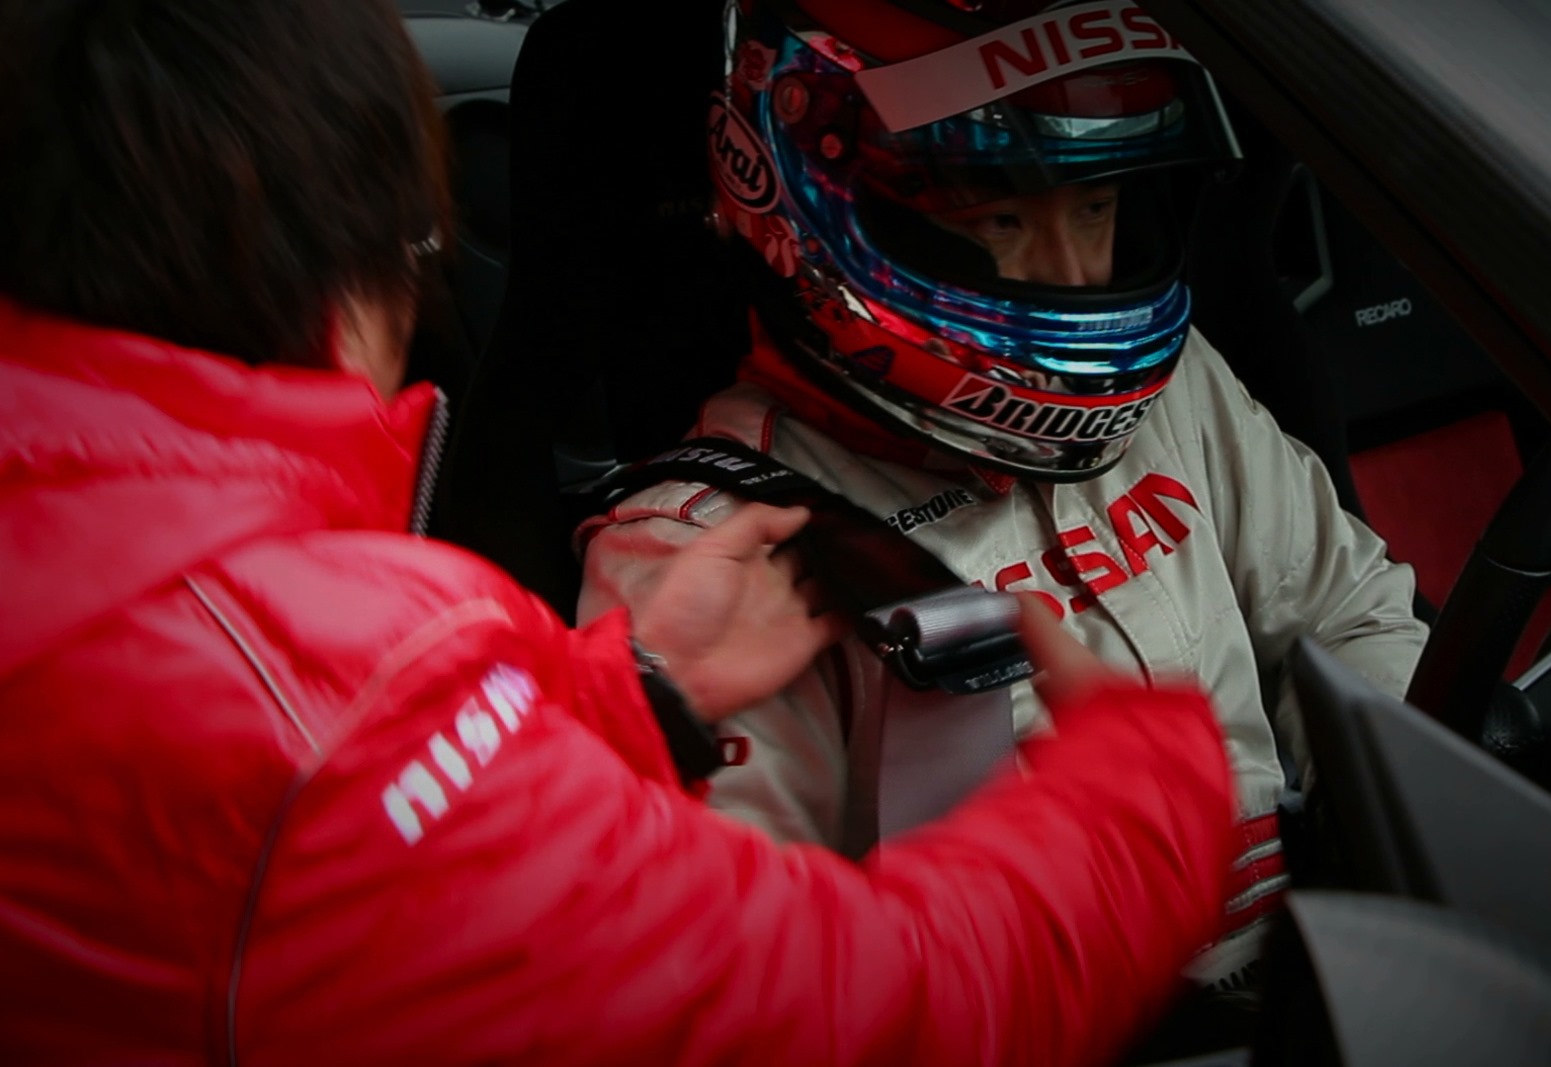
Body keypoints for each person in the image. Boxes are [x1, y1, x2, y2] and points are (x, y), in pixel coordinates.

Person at [0, 2, 1240, 1064]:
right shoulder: (321, 691)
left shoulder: (129, 601)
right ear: (346, 264)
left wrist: (623, 696)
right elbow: (849, 1012)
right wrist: (1144, 803)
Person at [580, 0, 1430, 992]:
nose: (1074, 274)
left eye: (1095, 207)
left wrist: (1424, 834)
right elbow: (746, 975)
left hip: (1330, 979)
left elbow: (1347, 615)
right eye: (1003, 220)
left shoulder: (1171, 387)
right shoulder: (701, 549)